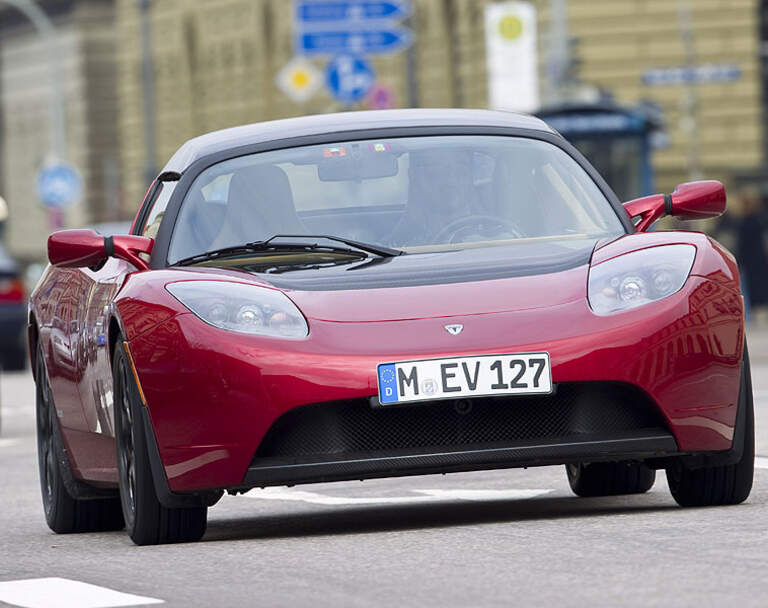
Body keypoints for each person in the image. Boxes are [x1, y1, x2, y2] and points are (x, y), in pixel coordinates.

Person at [736, 187, 768, 323]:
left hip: (756, 260)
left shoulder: (753, 221)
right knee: (756, 286)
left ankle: (760, 314)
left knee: (758, 287)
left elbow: (742, 245)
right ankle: (759, 314)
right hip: (756, 260)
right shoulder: (758, 220)